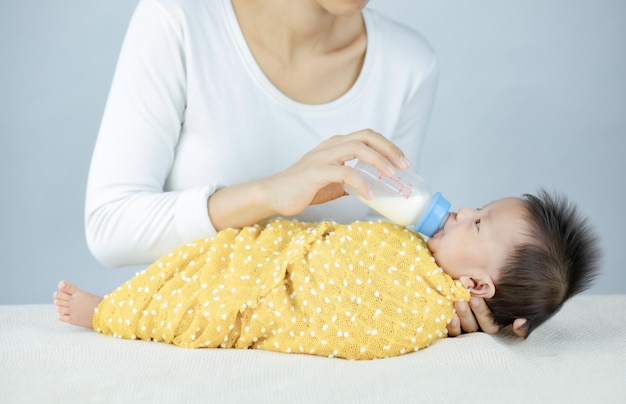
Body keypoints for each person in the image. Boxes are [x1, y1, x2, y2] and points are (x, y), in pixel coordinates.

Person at [84, 0, 500, 337]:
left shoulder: (408, 63)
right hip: (194, 331)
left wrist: (440, 299)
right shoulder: (178, 21)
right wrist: (269, 194)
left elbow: (391, 246)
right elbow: (109, 229)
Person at [55, 191, 599, 359]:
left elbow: (358, 324)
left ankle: (105, 311)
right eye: (474, 208)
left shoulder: (429, 305)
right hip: (270, 252)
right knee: (197, 265)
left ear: (477, 288)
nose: (458, 212)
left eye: (476, 223)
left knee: (200, 306)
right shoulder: (423, 252)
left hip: (271, 292)